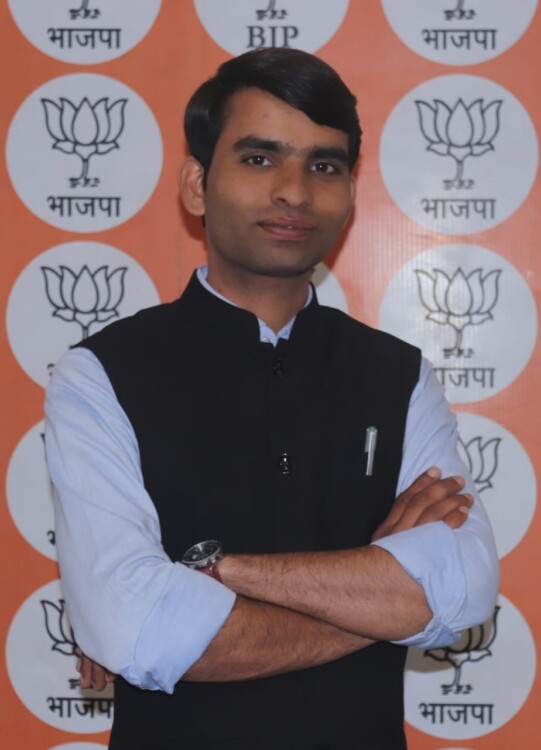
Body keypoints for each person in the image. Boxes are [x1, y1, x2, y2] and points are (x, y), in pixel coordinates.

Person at [45, 48, 498, 749]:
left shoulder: (399, 374)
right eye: (259, 159)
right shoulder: (101, 373)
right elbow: (141, 630)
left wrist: (214, 571)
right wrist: (381, 586)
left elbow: (463, 589)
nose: (294, 191)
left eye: (324, 166)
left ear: (349, 193)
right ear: (197, 185)